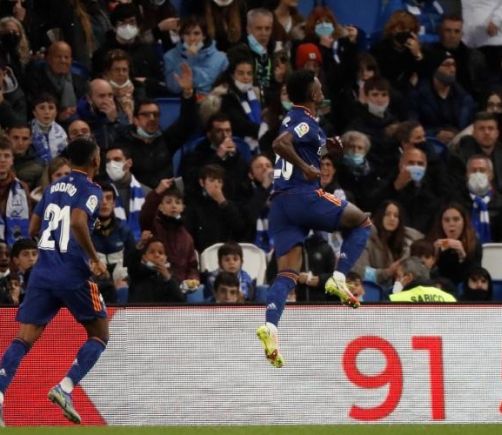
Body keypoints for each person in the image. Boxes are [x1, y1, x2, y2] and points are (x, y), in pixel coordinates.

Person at [256, 70, 372, 368]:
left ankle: (270, 326)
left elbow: (303, 147)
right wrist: (306, 169)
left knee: (287, 273)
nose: (322, 87)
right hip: (302, 196)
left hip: (280, 205)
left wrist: (325, 149)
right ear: (311, 92)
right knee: (362, 222)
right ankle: (339, 277)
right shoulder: (302, 119)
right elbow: (280, 144)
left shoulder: (302, 121)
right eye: (318, 84)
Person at [0, 138, 109, 426]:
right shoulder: (92, 189)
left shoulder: (52, 188)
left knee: (23, 338)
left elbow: (33, 228)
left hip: (42, 274)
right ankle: (65, 387)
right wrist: (93, 259)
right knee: (99, 333)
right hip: (73, 273)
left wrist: (53, 249)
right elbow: (77, 221)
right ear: (95, 160)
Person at [352, 200, 423, 290]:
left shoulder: (405, 240)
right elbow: (360, 272)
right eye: (387, 214)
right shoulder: (365, 239)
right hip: (371, 290)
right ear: (380, 216)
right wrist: (387, 272)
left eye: (396, 216)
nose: (392, 218)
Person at [163, 15, 228, 95]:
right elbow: (173, 88)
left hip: (211, 100)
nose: (192, 38)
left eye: (196, 33)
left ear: (204, 36)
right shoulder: (170, 56)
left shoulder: (221, 58)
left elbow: (222, 87)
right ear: (182, 36)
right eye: (187, 33)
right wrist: (187, 58)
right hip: (183, 100)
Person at [427, 202, 482, 288]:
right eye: (446, 220)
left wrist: (462, 256)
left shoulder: (474, 244)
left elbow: (475, 278)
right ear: (441, 223)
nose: (451, 224)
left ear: (464, 222)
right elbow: (426, 276)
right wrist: (434, 256)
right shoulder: (433, 242)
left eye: (456, 219)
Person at [0, 134, 30, 246]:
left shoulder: (22, 187)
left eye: (7, 156)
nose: (2, 160)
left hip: (14, 247)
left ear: (12, 160)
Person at [389, 256, 457, 302]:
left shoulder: (397, 300)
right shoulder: (449, 299)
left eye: (398, 276)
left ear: (408, 278)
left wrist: (396, 295)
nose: (396, 280)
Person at [30, 92, 68, 163]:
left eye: (51, 108)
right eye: (42, 108)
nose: (47, 112)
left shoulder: (62, 133)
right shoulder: (28, 130)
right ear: (34, 112)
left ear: (56, 112)